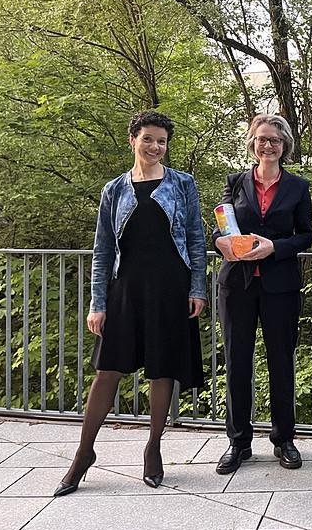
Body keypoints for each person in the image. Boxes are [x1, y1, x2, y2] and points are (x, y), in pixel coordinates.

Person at [55, 110, 207, 496]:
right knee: (108, 370)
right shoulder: (115, 190)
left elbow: (195, 239)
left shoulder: (183, 184)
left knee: (162, 369)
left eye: (162, 141)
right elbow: (103, 249)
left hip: (171, 287)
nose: (156, 147)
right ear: (133, 141)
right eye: (149, 139)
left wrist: (197, 289)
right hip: (126, 287)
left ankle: (153, 447)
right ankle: (83, 454)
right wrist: (97, 301)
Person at [212, 114, 312, 475]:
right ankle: (238, 442)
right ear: (252, 144)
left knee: (281, 362)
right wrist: (219, 241)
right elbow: (221, 227)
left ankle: (284, 439)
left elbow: (306, 236)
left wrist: (275, 247)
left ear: (284, 145)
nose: (267, 145)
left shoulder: (298, 188)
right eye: (261, 139)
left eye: (274, 139)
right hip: (237, 285)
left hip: (280, 285)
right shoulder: (235, 182)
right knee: (237, 362)